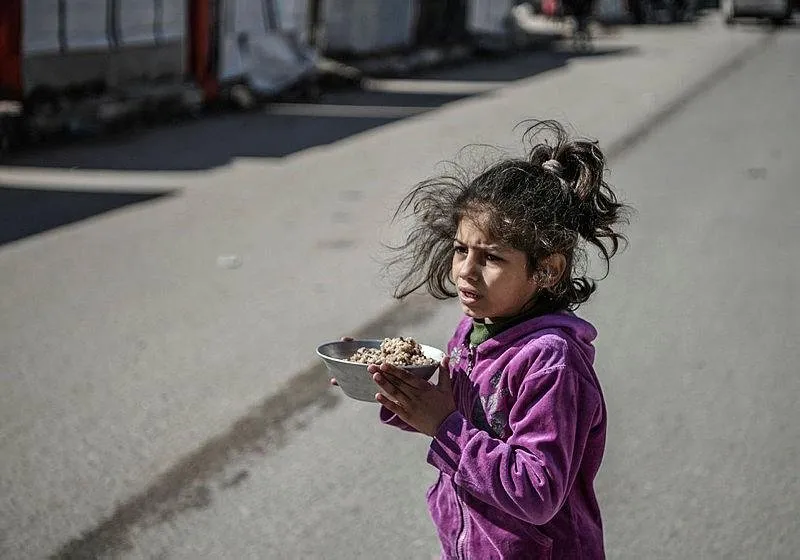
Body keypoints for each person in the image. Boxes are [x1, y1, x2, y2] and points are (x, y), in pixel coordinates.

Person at [331, 120, 631, 559]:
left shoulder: (550, 359)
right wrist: (401, 393)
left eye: (491, 258)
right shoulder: (473, 330)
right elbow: (465, 415)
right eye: (460, 249)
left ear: (547, 269)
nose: (465, 272)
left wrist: (442, 424)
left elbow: (537, 491)